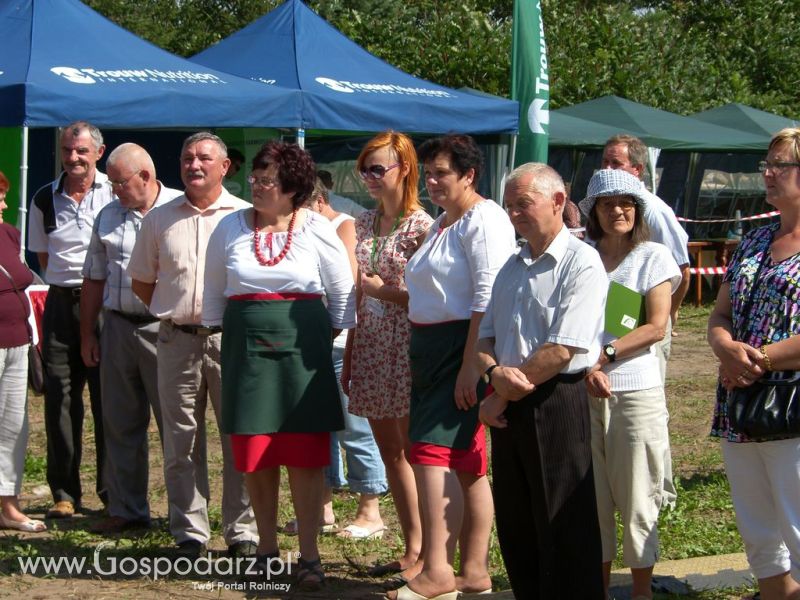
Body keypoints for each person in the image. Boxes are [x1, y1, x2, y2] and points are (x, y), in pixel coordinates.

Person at [203, 141, 356, 590]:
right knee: (256, 451)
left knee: (306, 452)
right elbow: (215, 290)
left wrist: (329, 338)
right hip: (245, 351)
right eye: (254, 178)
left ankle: (309, 554)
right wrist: (219, 333)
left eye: (267, 180)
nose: (257, 186)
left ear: (292, 187)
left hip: (304, 351)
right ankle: (266, 550)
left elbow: (342, 293)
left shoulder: (315, 229)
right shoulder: (230, 227)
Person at [477, 163, 606, 599]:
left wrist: (499, 396)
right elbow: (484, 340)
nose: (514, 213)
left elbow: (562, 350)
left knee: (563, 520)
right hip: (509, 399)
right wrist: (494, 376)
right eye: (509, 205)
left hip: (556, 398)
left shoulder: (581, 262)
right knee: (518, 519)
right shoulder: (510, 267)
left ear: (557, 201)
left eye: (523, 203)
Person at [396, 134, 516, 600]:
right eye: (427, 173)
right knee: (465, 460)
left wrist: (471, 363)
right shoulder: (445, 222)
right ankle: (472, 571)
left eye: (441, 173)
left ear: (469, 175)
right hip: (433, 347)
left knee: (431, 452)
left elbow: (488, 295)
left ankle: (438, 570)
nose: (431, 182)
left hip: (458, 346)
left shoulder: (483, 219)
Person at [127, 132, 258, 558]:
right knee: (180, 439)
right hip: (176, 340)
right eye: (187, 158)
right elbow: (143, 279)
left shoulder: (246, 216)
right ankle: (189, 533)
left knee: (239, 435)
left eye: (204, 158)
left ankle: (242, 532)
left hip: (230, 343)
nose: (194, 165)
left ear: (225, 167)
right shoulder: (159, 218)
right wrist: (175, 310)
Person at [579, 169, 681, 600]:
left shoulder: (653, 255)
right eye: (607, 204)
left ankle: (640, 593)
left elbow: (657, 326)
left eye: (626, 203)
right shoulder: (580, 254)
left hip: (635, 390)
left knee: (639, 497)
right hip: (583, 390)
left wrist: (605, 356)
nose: (617, 210)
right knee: (593, 501)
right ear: (593, 211)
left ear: (638, 210)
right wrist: (586, 368)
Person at [708, 127, 800, 600]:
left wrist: (759, 358)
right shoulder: (753, 240)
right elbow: (720, 313)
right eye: (768, 163)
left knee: (797, 523)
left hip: (792, 407)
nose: (768, 172)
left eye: (781, 164)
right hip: (740, 402)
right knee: (759, 531)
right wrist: (725, 345)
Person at [342, 131, 432, 577]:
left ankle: (428, 554)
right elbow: (359, 297)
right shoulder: (362, 222)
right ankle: (412, 545)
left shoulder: (423, 226)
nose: (369, 178)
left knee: (415, 452)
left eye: (378, 169)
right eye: (366, 169)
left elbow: (433, 299)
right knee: (390, 452)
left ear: (405, 169)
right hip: (373, 345)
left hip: (409, 345)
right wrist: (352, 349)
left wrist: (385, 292)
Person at [80, 143, 181, 534]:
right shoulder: (108, 215)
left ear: (145, 176)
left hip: (166, 330)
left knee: (176, 426)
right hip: (118, 326)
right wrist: (88, 332)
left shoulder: (178, 209)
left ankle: (184, 518)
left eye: (120, 182)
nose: (114, 189)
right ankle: (126, 508)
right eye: (111, 182)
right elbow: (93, 276)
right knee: (119, 422)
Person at [287, 179, 388, 538]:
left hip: (340, 342)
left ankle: (370, 509)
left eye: (299, 205)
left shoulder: (342, 225)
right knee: (318, 429)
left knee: (354, 426)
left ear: (317, 201)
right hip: (312, 343)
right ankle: (323, 507)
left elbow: (347, 284)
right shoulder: (301, 228)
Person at [28, 121, 115, 518]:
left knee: (109, 401)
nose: (73, 158)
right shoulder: (46, 197)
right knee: (60, 400)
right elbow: (43, 260)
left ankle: (114, 492)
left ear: (99, 152)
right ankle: (64, 493)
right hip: (62, 305)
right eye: (67, 150)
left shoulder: (116, 193)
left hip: (107, 307)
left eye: (81, 151)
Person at [602, 135, 690, 345]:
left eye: (616, 164)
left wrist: (667, 317)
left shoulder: (654, 210)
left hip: (647, 327)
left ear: (638, 169)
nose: (606, 169)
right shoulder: (601, 206)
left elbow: (682, 269)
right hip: (610, 320)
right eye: (604, 162)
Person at [0, 171, 46, 533]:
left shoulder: (9, 234)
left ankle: (8, 505)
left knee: (13, 426)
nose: (3, 203)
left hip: (17, 342)